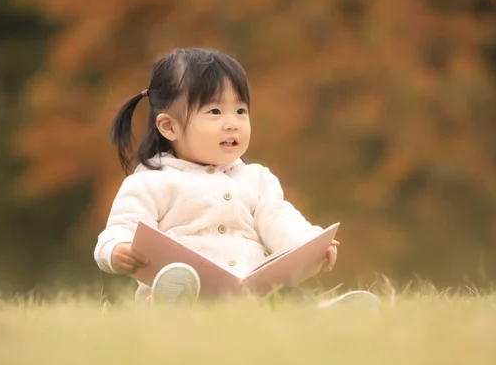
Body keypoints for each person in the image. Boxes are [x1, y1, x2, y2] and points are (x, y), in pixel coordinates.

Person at [94, 48, 379, 308]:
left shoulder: (255, 179)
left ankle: (323, 315)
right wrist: (118, 251)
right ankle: (169, 308)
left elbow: (280, 219)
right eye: (215, 111)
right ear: (170, 126)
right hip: (189, 293)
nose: (232, 123)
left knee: (286, 296)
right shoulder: (150, 182)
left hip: (250, 294)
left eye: (241, 111)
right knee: (178, 287)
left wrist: (312, 244)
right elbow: (119, 231)